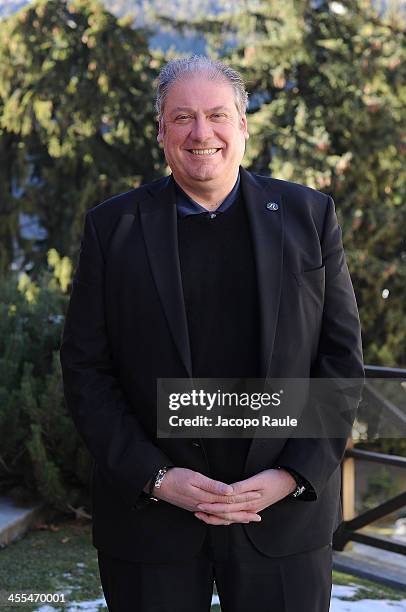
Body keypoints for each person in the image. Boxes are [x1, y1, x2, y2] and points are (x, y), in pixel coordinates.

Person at [60, 56, 364, 612]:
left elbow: (340, 363)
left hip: (282, 519)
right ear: (161, 132)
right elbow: (85, 371)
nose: (202, 133)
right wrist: (154, 476)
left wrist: (292, 475)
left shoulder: (309, 216)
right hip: (150, 523)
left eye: (217, 114)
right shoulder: (113, 228)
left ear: (243, 124)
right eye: (183, 118)